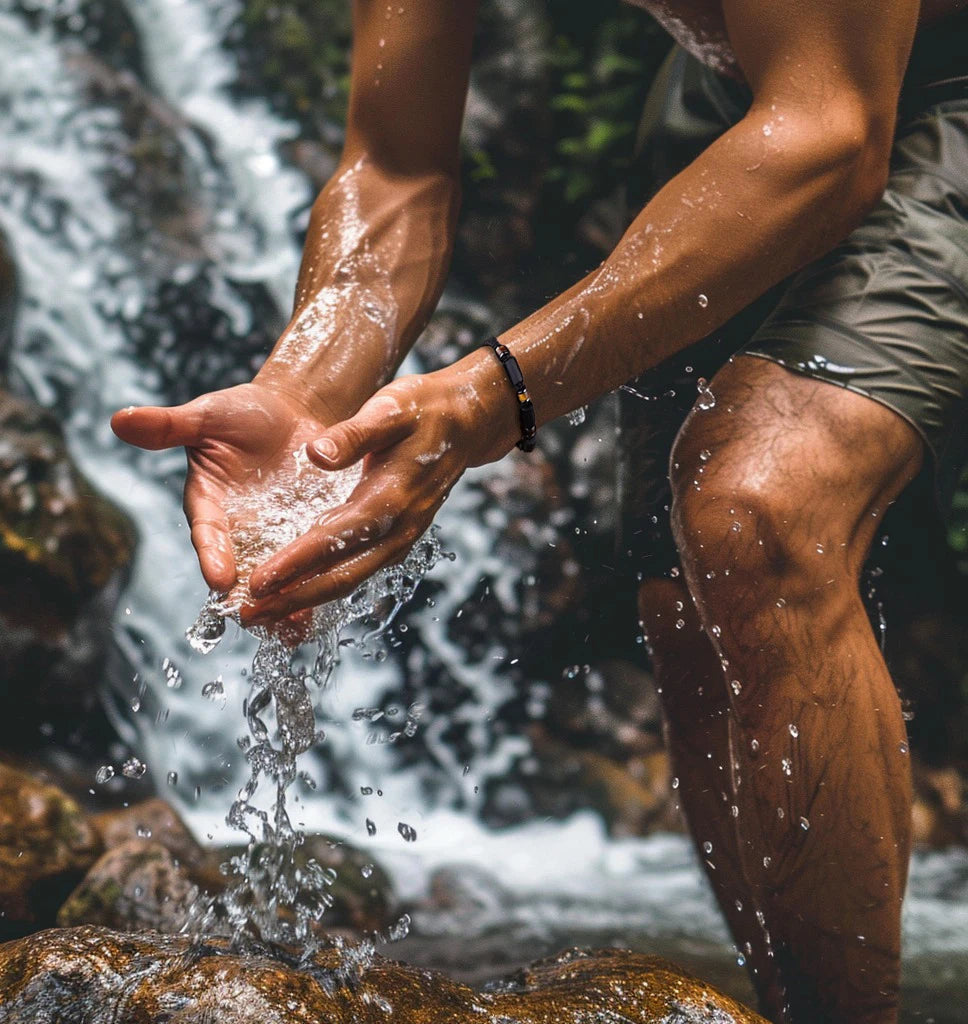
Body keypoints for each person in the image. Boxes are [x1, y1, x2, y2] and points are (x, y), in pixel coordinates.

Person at [111, 1, 968, 1021]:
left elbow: (829, 137)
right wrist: (301, 390)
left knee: (755, 507)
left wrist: (491, 396)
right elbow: (395, 168)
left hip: (887, 98)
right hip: (742, 96)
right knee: (683, 600)